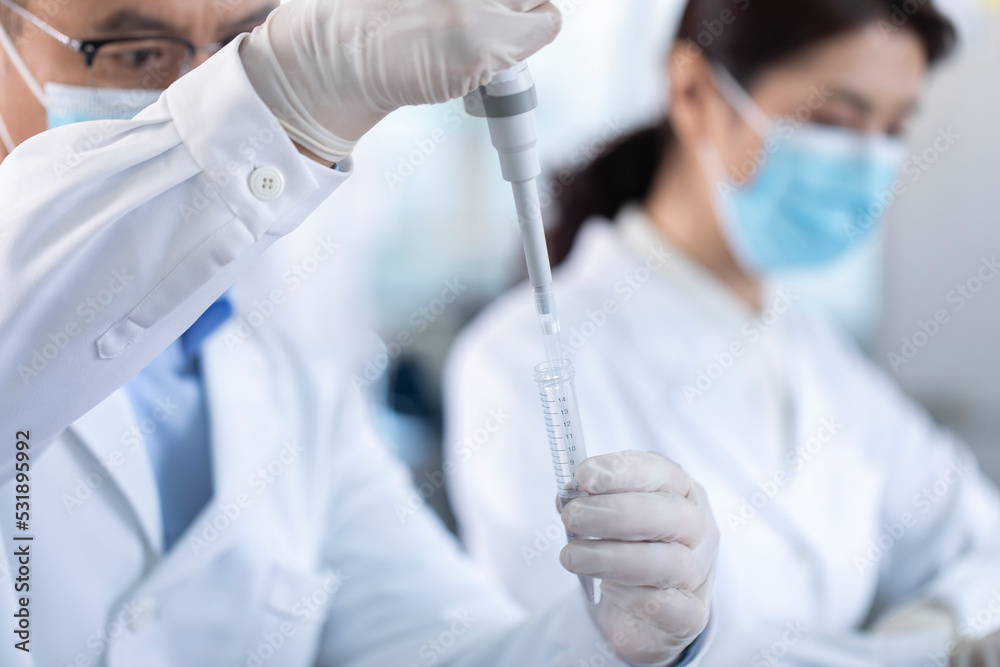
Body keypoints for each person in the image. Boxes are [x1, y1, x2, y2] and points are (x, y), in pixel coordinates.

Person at [0, 0, 721, 665]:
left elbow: (446, 646)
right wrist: (283, 88)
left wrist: (613, 641)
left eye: (236, 51)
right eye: (134, 52)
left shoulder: (293, 388)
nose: (198, 91)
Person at [444, 0, 1000, 664]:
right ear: (694, 92)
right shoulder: (514, 362)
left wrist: (936, 620)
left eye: (892, 129)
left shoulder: (817, 358)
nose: (867, 160)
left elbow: (982, 543)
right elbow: (577, 647)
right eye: (833, 120)